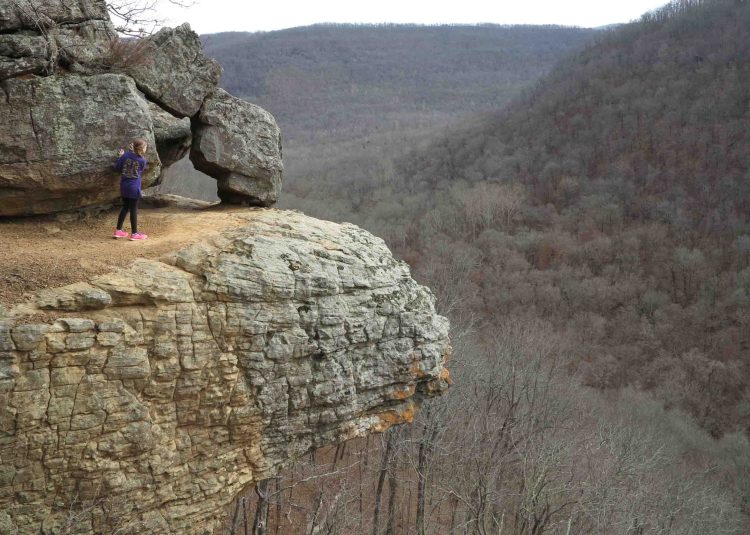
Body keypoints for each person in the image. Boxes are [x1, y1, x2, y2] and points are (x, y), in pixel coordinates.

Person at [113, 139, 148, 241]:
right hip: (134, 187)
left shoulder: (126, 155)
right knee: (133, 210)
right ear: (141, 149)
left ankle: (118, 231)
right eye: (145, 147)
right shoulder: (142, 161)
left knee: (125, 208)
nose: (146, 149)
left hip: (124, 186)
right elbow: (139, 169)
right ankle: (134, 233)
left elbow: (117, 167)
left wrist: (121, 156)